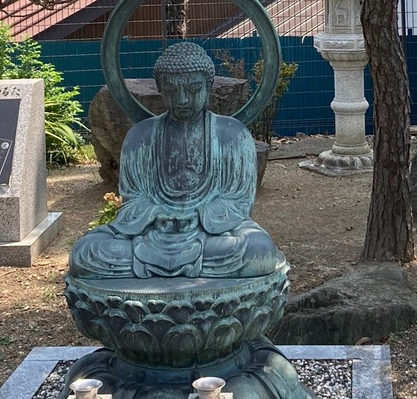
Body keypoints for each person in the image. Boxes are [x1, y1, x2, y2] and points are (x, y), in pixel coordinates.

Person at [68, 42, 281, 280]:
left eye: (193, 89)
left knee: (258, 250)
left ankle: (154, 266)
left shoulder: (233, 135)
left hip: (212, 235)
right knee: (85, 253)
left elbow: (238, 202)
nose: (182, 99)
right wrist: (156, 216)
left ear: (208, 86)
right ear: (161, 89)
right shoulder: (140, 136)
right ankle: (175, 264)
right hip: (153, 234)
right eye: (171, 90)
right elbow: (132, 199)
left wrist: (197, 217)